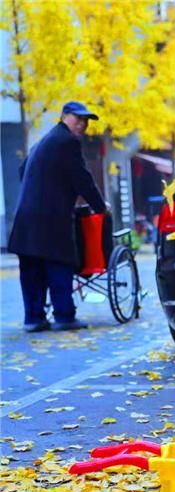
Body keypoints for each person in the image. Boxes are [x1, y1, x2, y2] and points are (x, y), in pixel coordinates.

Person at [7, 101, 108, 332]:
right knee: (59, 264)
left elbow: (23, 170)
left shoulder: (44, 141)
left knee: (31, 268)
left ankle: (33, 318)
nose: (82, 124)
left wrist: (41, 189)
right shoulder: (67, 142)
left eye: (85, 121)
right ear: (64, 117)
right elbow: (82, 179)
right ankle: (64, 316)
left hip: (26, 216)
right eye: (78, 119)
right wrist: (100, 207)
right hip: (51, 218)